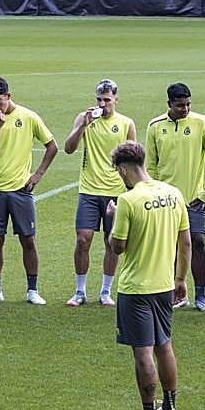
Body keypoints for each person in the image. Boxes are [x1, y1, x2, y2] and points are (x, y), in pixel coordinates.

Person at [108, 140, 191, 410]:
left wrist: (111, 217)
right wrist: (180, 279)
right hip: (164, 284)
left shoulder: (128, 201)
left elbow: (117, 247)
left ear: (121, 168)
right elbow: (186, 241)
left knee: (143, 352)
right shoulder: (173, 193)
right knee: (164, 345)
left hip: (136, 288)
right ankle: (169, 408)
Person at [0, 77, 58, 305]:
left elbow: (52, 146)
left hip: (21, 189)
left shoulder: (28, 117)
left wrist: (38, 174)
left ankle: (32, 289)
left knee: (28, 240)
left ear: (9, 96)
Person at [143, 82, 205, 311]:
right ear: (169, 104)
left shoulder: (201, 122)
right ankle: (175, 293)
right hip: (165, 199)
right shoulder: (155, 126)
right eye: (179, 106)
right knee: (168, 246)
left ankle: (201, 296)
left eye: (188, 104)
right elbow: (152, 164)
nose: (185, 109)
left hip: (193, 198)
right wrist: (154, 191)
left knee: (197, 241)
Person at [62, 78, 136, 307]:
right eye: (99, 100)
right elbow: (69, 148)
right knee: (83, 239)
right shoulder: (84, 119)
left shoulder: (126, 124)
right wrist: (82, 125)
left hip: (115, 191)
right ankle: (80, 290)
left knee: (111, 242)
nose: (102, 104)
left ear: (116, 99)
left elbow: (134, 159)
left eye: (107, 100)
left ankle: (105, 291)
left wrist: (131, 187)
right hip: (89, 190)